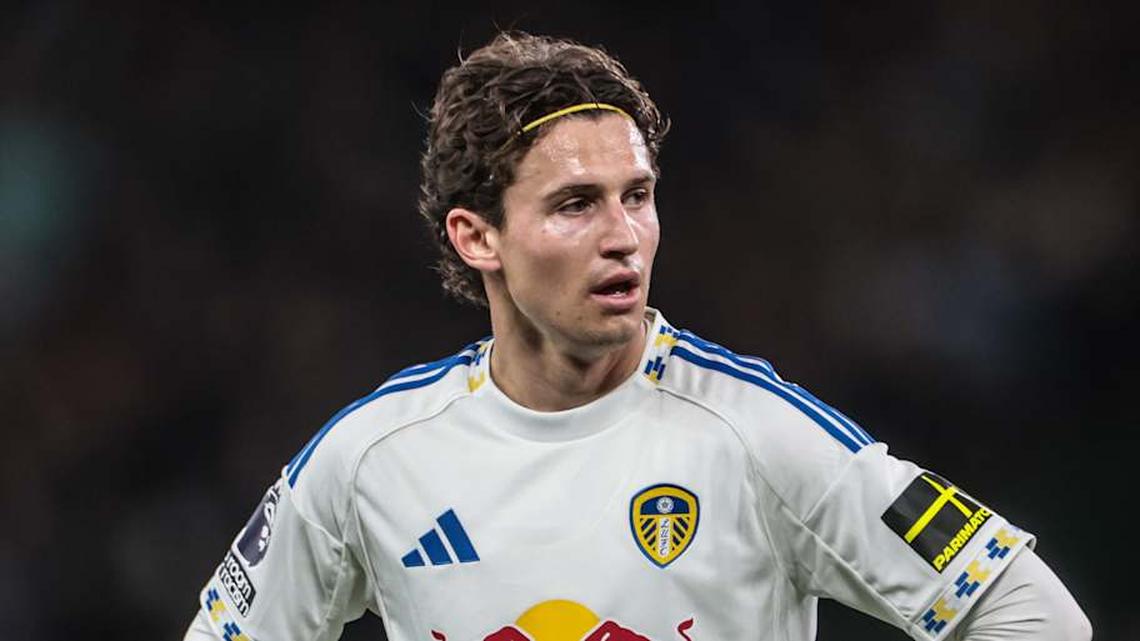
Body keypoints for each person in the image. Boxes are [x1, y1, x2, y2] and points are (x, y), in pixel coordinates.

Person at [184, 32, 1091, 641]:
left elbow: (1031, 613)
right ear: (478, 236)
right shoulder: (370, 459)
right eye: (576, 204)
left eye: (638, 195)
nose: (624, 235)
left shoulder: (758, 435)